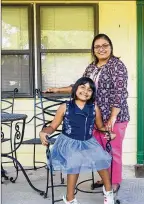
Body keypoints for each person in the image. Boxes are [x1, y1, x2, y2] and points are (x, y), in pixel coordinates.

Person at [44, 33, 129, 193]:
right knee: (99, 150)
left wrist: (112, 117)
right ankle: (104, 177)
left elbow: (120, 93)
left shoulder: (117, 65)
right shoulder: (91, 67)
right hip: (94, 116)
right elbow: (80, 85)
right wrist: (58, 89)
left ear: (111, 47)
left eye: (105, 45)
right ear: (93, 50)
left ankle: (114, 181)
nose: (101, 49)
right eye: (97, 46)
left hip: (115, 117)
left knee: (113, 149)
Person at [40, 77, 117, 204]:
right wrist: (44, 132)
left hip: (88, 141)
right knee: (75, 161)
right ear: (75, 88)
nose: (85, 91)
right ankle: (70, 199)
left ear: (92, 93)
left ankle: (108, 191)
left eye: (89, 89)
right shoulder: (65, 107)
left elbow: (99, 127)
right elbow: (53, 126)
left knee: (100, 158)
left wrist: (109, 133)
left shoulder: (94, 108)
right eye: (82, 87)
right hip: (68, 142)